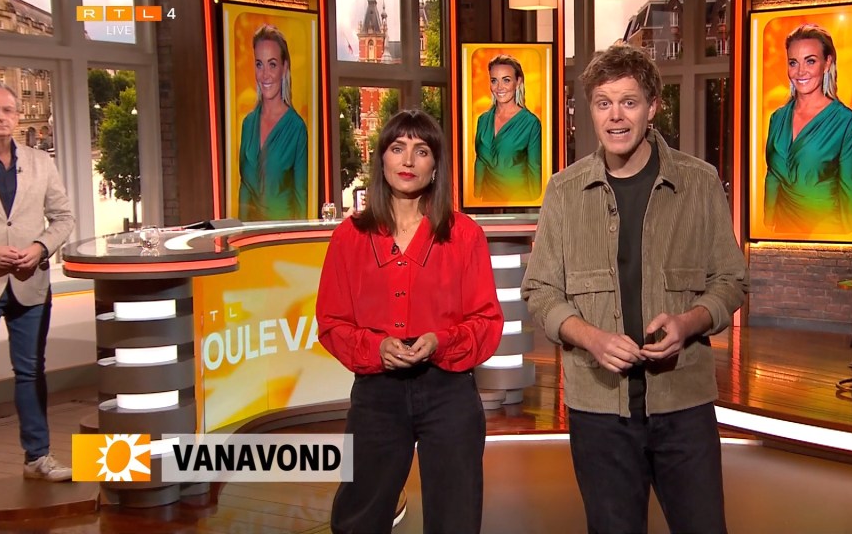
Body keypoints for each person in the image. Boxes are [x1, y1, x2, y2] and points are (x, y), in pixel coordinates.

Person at [522, 44, 748, 534]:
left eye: (628, 102)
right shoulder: (564, 191)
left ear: (652, 107)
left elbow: (731, 280)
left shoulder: (699, 182)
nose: (616, 116)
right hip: (599, 411)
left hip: (683, 404)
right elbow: (540, 291)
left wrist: (688, 322)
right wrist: (591, 338)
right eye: (603, 103)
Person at [316, 109, 503, 534]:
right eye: (397, 148)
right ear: (381, 159)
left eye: (421, 151)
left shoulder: (464, 235)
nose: (407, 160)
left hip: (448, 391)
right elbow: (331, 322)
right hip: (377, 393)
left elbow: (487, 321)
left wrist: (441, 341)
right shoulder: (349, 237)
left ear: (435, 165)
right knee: (359, 517)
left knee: (455, 518)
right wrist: (375, 347)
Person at [0, 80, 75, 481]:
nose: (0, 117)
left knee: (30, 372)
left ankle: (37, 458)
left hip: (30, 282)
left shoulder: (40, 162)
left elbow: (63, 218)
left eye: (7, 110)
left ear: (18, 115)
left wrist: (41, 247)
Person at [764, 23, 852, 235]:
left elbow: (850, 188)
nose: (800, 71)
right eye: (793, 62)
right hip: (781, 232)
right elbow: (773, 177)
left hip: (826, 231)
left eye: (810, 61)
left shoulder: (845, 121)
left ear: (827, 63)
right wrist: (765, 228)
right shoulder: (777, 118)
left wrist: (849, 242)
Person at [238, 24, 307, 221]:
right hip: (250, 235)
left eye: (272, 64)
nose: (265, 75)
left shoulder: (297, 129)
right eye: (259, 64)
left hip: (282, 234)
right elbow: (245, 189)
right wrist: (239, 234)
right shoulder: (248, 124)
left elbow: (300, 198)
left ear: (284, 68)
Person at [473, 54, 543, 203]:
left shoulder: (531, 123)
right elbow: (480, 162)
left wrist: (534, 207)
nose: (499, 87)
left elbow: (535, 169)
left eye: (506, 80)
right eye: (494, 81)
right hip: (487, 202)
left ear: (518, 82)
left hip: (518, 201)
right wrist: (474, 199)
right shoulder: (483, 120)